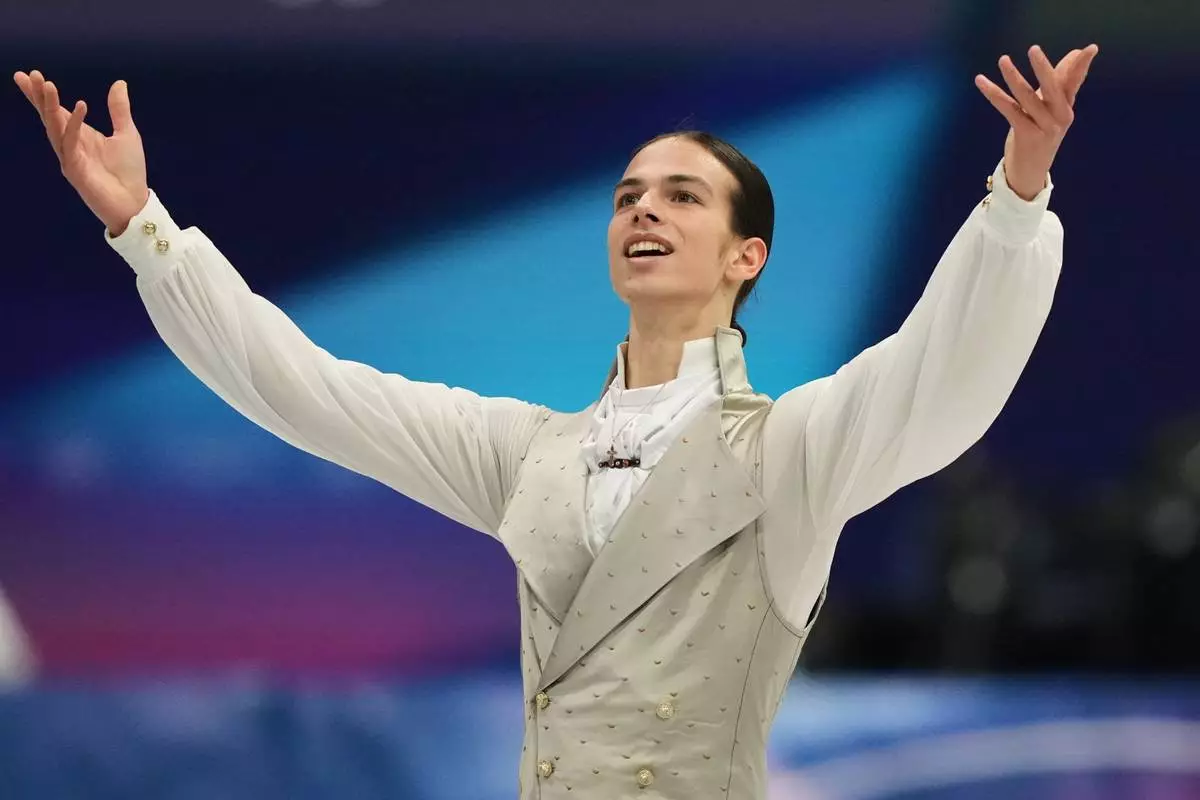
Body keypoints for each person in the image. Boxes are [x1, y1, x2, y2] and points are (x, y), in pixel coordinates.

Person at [13, 43, 1098, 800]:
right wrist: (143, 226)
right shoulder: (527, 452)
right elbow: (304, 387)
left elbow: (941, 376)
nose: (642, 210)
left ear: (745, 256)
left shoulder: (792, 451)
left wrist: (1017, 191)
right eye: (629, 193)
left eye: (680, 195)